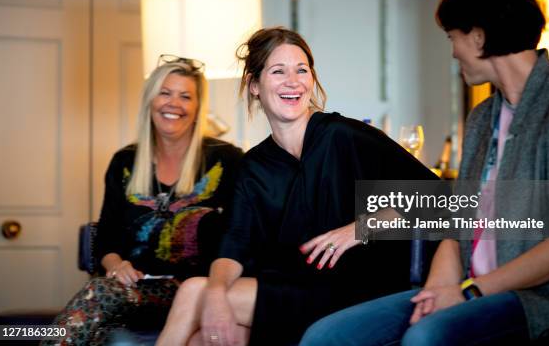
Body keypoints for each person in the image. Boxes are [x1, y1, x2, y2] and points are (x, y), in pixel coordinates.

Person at [300, 0, 549, 346]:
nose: (452, 51)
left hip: (538, 299)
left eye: (453, 37)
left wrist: (469, 293)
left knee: (427, 338)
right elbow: (458, 219)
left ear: (478, 38)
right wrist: (438, 290)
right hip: (466, 289)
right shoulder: (481, 118)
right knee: (326, 336)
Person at [156, 27, 437, 346]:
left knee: (195, 292)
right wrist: (218, 293)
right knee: (200, 335)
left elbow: (441, 200)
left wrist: (359, 228)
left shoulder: (342, 136)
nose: (293, 81)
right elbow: (235, 242)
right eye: (279, 71)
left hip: (358, 290)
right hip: (291, 289)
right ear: (254, 86)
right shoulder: (254, 166)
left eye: (302, 70)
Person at [44, 56, 243, 345]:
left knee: (99, 294)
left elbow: (241, 234)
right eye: (164, 92)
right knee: (91, 325)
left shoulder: (226, 159)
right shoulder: (125, 160)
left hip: (194, 290)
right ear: (150, 100)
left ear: (198, 107)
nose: (173, 103)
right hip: (131, 289)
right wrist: (115, 265)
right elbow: (106, 236)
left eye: (185, 96)